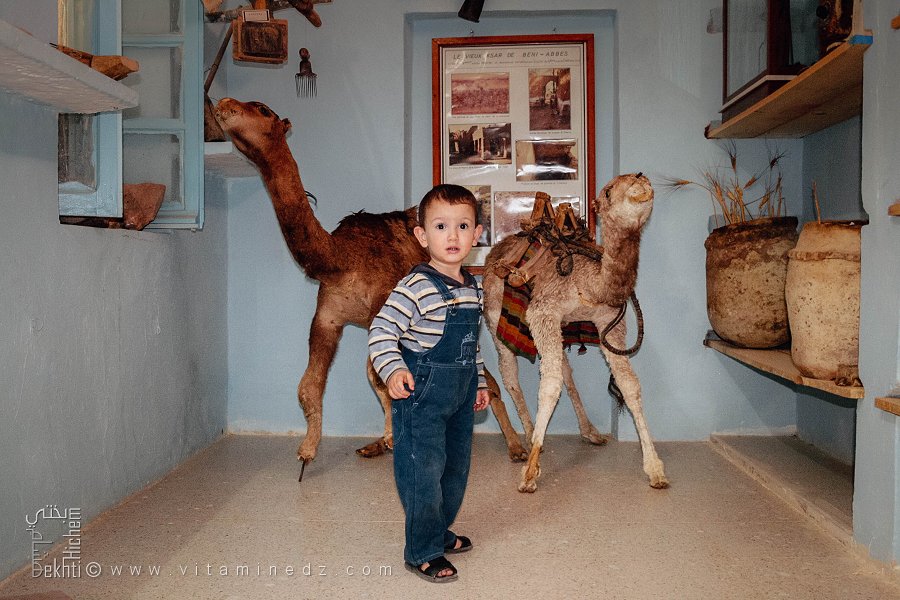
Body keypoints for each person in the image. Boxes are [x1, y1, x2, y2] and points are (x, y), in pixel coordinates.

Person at [368, 184, 491, 583]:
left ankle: (438, 530)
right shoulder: (416, 287)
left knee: (455, 470)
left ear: (477, 234)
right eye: (441, 226)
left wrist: (480, 382)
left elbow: (472, 345)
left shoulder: (473, 288)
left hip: (459, 396)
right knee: (423, 471)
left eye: (462, 226)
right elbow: (382, 332)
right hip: (419, 396)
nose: (452, 236)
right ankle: (421, 549)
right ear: (422, 236)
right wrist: (392, 370)